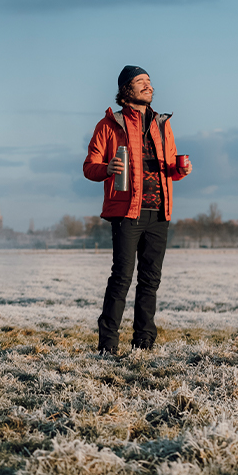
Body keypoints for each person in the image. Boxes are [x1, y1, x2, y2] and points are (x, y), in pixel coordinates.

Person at [82, 65, 191, 354]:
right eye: (141, 82)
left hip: (159, 212)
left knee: (150, 281)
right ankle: (107, 347)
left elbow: (168, 167)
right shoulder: (109, 125)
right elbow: (88, 167)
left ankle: (143, 344)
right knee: (121, 278)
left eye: (150, 82)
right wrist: (106, 168)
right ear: (126, 89)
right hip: (127, 212)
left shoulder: (162, 124)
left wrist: (180, 170)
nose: (149, 86)